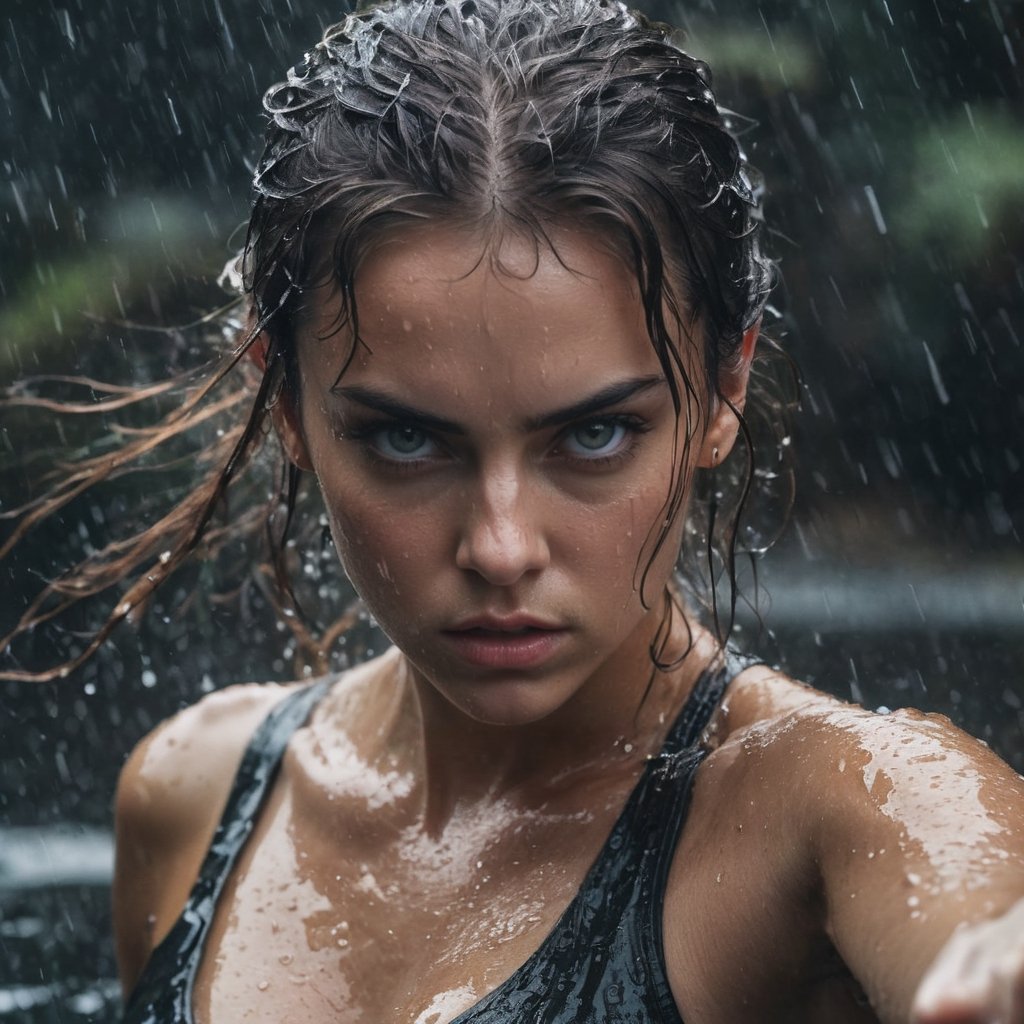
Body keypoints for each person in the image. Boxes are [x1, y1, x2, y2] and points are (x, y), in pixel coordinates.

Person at [5, 0, 1022, 1021]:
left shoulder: (841, 809)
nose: (500, 546)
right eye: (407, 439)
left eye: (592, 436)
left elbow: (978, 923)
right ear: (289, 411)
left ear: (723, 391)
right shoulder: (188, 794)